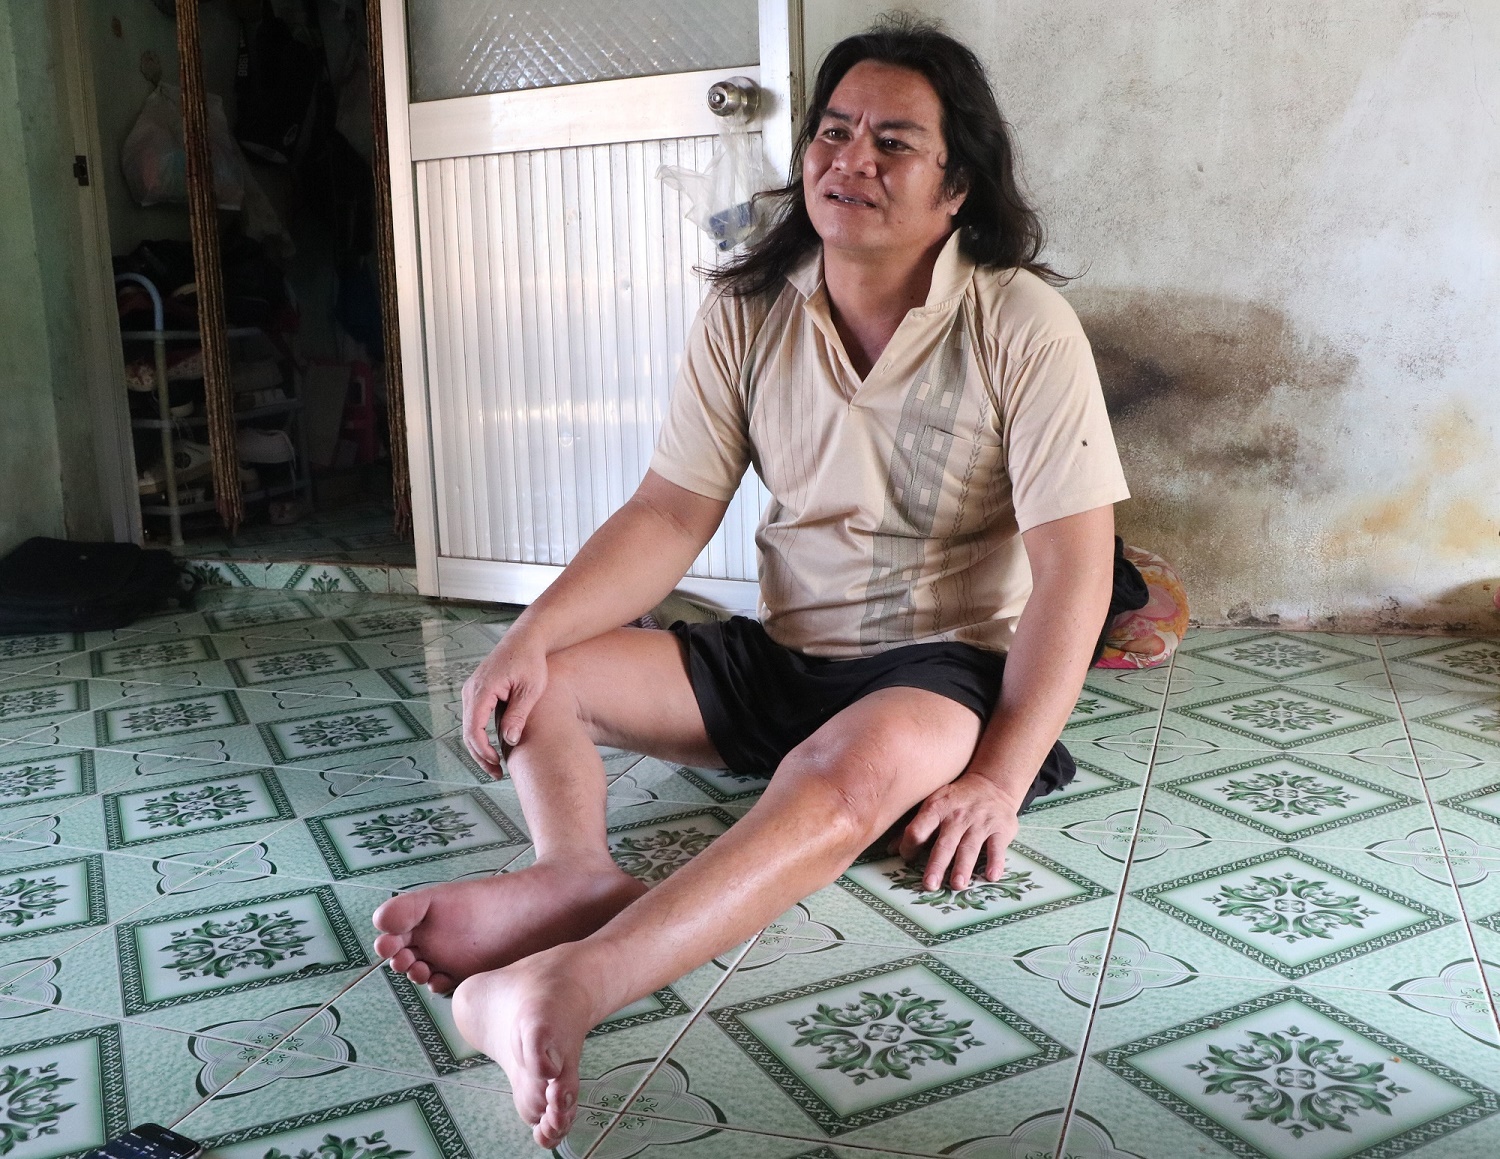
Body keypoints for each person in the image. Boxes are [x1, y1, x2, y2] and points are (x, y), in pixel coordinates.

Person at [372, 16, 1129, 1149]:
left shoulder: (1021, 323)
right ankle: (572, 872)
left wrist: (1000, 779)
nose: (850, 159)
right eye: (833, 131)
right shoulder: (748, 307)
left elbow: (1078, 568)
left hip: (940, 671)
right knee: (549, 679)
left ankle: (575, 981)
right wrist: (530, 632)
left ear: (958, 186)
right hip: (781, 651)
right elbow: (668, 513)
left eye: (894, 142)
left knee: (839, 779)